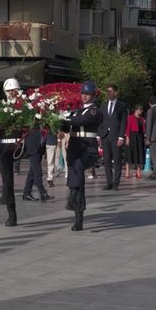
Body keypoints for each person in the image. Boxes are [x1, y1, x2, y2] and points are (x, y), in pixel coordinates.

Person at [63, 81, 101, 231]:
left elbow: (82, 121)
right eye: (83, 94)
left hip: (88, 148)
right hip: (74, 147)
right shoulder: (76, 111)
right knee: (78, 182)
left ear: (93, 95)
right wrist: (53, 120)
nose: (84, 96)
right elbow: (66, 127)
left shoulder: (94, 111)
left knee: (78, 168)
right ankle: (78, 219)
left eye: (87, 94)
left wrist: (64, 117)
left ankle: (72, 197)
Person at [0, 78, 24, 226]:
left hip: (18, 145)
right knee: (7, 182)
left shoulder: (24, 107)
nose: (12, 93)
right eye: (9, 91)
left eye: (14, 90)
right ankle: (11, 215)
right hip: (3, 147)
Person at [98, 84, 128, 191]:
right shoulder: (103, 105)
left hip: (116, 136)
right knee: (106, 161)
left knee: (117, 161)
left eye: (110, 91)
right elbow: (100, 121)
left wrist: (121, 137)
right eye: (107, 91)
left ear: (116, 92)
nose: (108, 93)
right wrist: (99, 135)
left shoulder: (122, 106)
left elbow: (124, 122)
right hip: (105, 136)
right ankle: (109, 182)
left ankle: (116, 183)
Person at [125, 104, 146, 179]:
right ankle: (127, 171)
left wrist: (145, 137)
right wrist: (127, 138)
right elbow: (127, 128)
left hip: (139, 138)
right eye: (140, 110)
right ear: (136, 110)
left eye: (142, 110)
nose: (141, 111)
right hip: (132, 137)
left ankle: (138, 171)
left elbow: (143, 130)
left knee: (139, 154)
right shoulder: (130, 117)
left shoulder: (142, 119)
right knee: (129, 154)